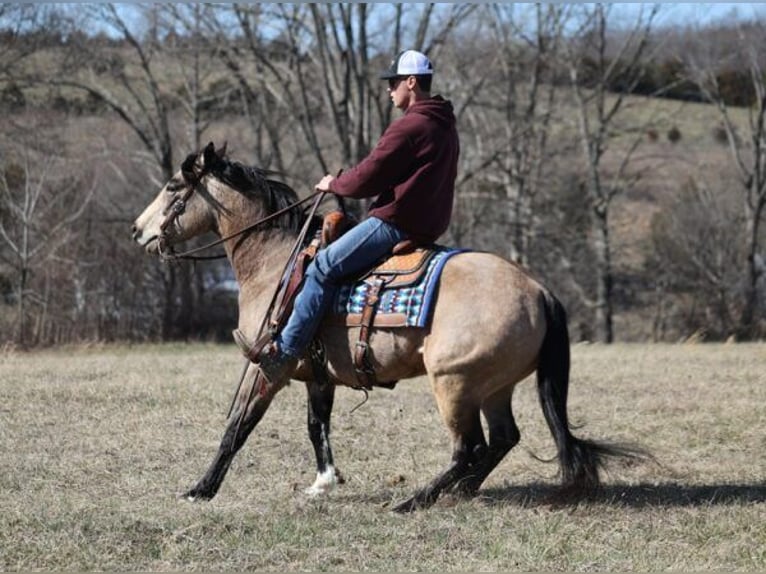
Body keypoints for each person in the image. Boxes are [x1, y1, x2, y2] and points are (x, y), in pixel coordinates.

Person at [234, 49, 460, 385]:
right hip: (429, 225)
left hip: (395, 224)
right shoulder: (444, 123)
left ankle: (285, 353)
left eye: (394, 81)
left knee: (323, 266)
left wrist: (333, 183)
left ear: (411, 82)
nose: (389, 89)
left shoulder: (410, 127)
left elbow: (369, 175)